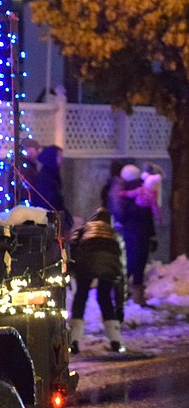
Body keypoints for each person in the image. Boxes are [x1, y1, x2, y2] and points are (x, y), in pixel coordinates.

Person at [68, 207, 127, 353]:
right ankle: (116, 341)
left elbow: (72, 246)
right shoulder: (115, 235)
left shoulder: (84, 229)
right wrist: (120, 306)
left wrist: (71, 270)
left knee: (81, 295)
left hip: (85, 260)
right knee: (104, 296)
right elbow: (122, 273)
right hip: (110, 265)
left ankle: (73, 341)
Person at [110, 163, 155, 304]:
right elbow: (147, 215)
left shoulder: (121, 192)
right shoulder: (142, 190)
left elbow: (120, 214)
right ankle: (136, 296)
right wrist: (152, 234)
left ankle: (119, 292)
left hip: (130, 231)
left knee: (131, 262)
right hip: (141, 231)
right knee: (138, 263)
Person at [30, 145, 72, 234]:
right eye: (59, 156)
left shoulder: (52, 175)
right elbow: (50, 202)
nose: (62, 158)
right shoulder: (46, 178)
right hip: (48, 221)